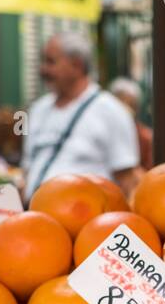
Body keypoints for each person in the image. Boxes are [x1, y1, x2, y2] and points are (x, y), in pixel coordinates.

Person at [23, 33, 141, 199]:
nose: (43, 70)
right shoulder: (38, 109)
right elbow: (27, 170)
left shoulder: (111, 111)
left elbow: (127, 180)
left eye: (50, 62)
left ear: (77, 65)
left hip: (87, 220)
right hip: (36, 217)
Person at [108, 77, 153, 170]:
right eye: (120, 103)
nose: (125, 109)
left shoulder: (145, 137)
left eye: (131, 104)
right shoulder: (102, 131)